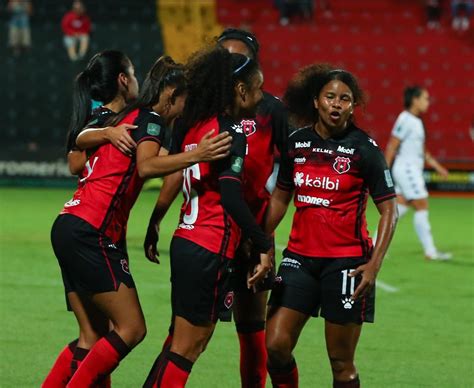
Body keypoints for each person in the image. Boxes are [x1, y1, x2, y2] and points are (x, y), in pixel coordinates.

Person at [43, 55, 232, 388]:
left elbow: (76, 158)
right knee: (132, 329)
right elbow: (147, 167)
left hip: (69, 224)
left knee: (92, 337)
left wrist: (107, 133)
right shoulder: (151, 119)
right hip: (93, 231)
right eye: (184, 100)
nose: (184, 109)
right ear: (172, 95)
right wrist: (198, 155)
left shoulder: (114, 117)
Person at [143, 28, 289, 388]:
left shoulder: (268, 111)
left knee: (228, 333)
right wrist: (157, 214)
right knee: (187, 344)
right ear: (237, 87)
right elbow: (222, 190)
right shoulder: (223, 127)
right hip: (217, 239)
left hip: (221, 235)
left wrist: (261, 238)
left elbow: (284, 181)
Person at [263, 66, 398, 387]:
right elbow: (281, 198)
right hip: (299, 260)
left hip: (348, 266)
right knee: (276, 345)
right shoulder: (296, 143)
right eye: (330, 97)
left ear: (353, 106)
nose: (337, 104)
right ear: (316, 101)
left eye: (345, 99)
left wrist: (373, 265)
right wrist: (259, 243)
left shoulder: (364, 148)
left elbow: (390, 210)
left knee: (341, 362)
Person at [42, 49, 140, 388]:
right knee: (125, 330)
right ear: (122, 79)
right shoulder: (107, 116)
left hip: (77, 222)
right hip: (90, 225)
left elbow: (75, 159)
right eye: (133, 72)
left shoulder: (101, 115)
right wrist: (109, 133)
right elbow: (74, 159)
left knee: (93, 336)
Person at [384, 86, 452, 261]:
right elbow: (392, 145)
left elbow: (422, 151)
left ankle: (375, 245)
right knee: (422, 205)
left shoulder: (417, 121)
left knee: (398, 208)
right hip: (407, 170)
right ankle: (430, 251)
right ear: (415, 99)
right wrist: (383, 172)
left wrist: (438, 167)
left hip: (408, 170)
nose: (428, 102)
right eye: (425, 98)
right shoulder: (405, 119)